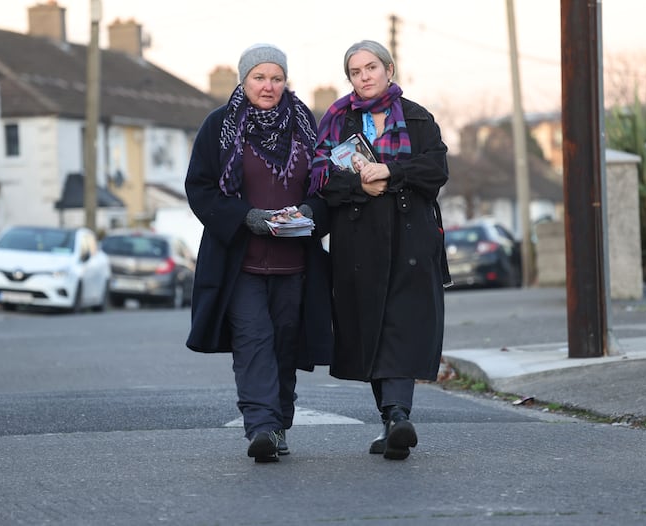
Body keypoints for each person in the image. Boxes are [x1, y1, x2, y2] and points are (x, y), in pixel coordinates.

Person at [185, 43, 333, 462]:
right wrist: (247, 217)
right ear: (243, 80)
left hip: (296, 263)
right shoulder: (219, 126)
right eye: (259, 77)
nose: (268, 86)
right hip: (240, 262)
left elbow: (328, 189)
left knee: (286, 345)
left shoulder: (309, 126)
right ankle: (262, 427)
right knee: (253, 341)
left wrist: (308, 212)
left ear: (286, 81)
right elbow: (200, 187)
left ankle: (280, 423)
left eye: (276, 78)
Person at [308, 40, 450, 460]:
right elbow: (319, 179)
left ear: (388, 69)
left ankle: (396, 412)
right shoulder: (337, 120)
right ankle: (393, 420)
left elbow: (436, 169)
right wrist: (359, 184)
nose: (364, 76)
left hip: (410, 235)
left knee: (402, 325)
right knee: (370, 327)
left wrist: (391, 171)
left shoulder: (418, 117)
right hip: (358, 238)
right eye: (355, 71)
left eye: (371, 67)